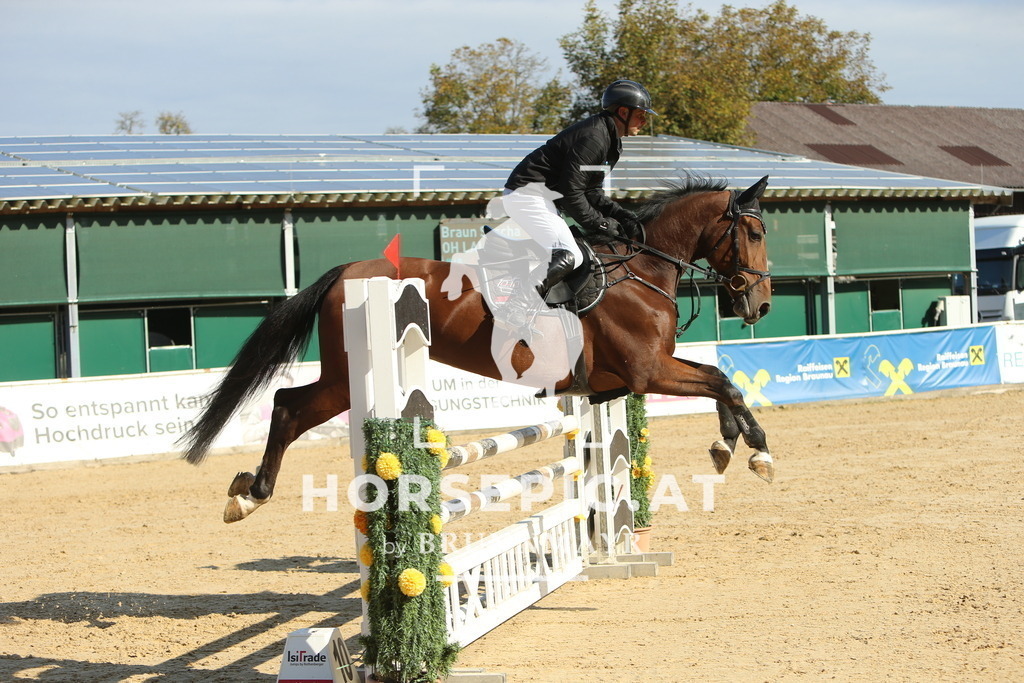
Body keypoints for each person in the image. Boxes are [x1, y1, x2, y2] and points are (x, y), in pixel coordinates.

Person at [499, 79, 656, 328]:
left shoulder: (609, 139)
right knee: (570, 253)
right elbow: (572, 192)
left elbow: (591, 190)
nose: (644, 121)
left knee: (580, 252)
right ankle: (516, 305)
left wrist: (622, 215)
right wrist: (601, 224)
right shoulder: (594, 137)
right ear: (622, 112)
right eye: (640, 115)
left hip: (543, 197)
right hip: (527, 195)